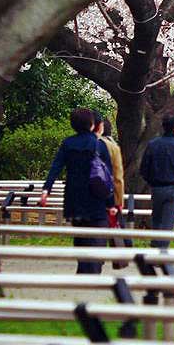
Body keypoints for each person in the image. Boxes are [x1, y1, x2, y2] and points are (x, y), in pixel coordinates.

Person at [40, 108, 115, 274]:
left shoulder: (68, 144)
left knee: (80, 234)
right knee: (96, 234)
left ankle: (83, 267)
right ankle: (92, 271)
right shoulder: (99, 145)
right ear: (92, 124)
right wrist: (111, 203)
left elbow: (56, 167)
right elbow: (107, 176)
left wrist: (46, 190)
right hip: (95, 197)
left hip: (74, 197)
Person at [139, 113, 174, 248]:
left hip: (156, 187)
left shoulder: (153, 144)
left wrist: (151, 181)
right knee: (168, 220)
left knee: (157, 217)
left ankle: (156, 245)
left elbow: (144, 168)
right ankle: (162, 249)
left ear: (162, 126)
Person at [99, 117, 132, 252]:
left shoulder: (97, 145)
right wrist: (119, 199)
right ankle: (126, 246)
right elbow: (118, 177)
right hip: (111, 192)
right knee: (117, 222)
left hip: (99, 191)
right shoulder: (114, 146)